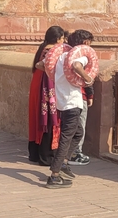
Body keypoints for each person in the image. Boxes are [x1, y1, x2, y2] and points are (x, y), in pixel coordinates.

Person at [42, 40, 97, 188]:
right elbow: (77, 66)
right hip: (72, 103)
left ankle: (64, 163)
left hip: (62, 102)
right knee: (66, 138)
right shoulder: (80, 57)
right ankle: (54, 175)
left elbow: (40, 65)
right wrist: (88, 79)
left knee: (78, 133)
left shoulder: (59, 57)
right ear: (85, 43)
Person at [28, 26, 65, 166]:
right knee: (49, 119)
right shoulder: (52, 51)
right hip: (46, 87)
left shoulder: (42, 48)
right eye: (62, 39)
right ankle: (46, 156)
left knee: (38, 119)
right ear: (57, 39)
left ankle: (35, 153)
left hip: (38, 86)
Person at [67, 30, 97, 166]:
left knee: (68, 126)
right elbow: (87, 78)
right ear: (85, 42)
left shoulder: (65, 54)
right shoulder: (82, 57)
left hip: (64, 95)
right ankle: (75, 153)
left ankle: (67, 153)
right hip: (80, 95)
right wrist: (90, 94)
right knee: (80, 125)